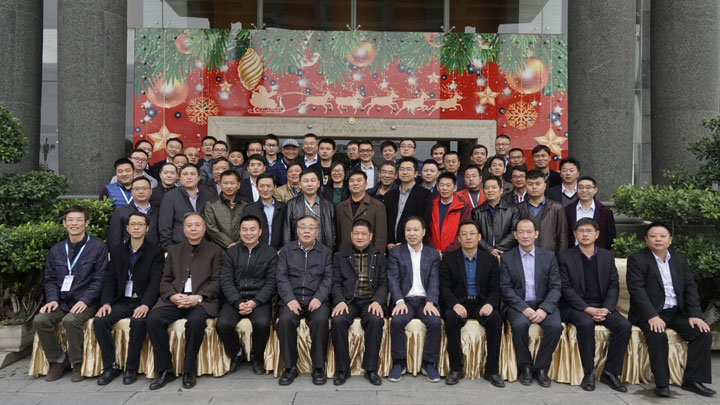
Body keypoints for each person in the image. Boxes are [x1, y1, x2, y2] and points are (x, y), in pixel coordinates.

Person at [626, 223, 715, 398]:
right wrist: (652, 316)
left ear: (670, 240)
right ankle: (662, 383)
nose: (658, 239)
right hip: (649, 313)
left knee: (702, 333)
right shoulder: (637, 260)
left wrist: (695, 315)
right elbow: (637, 291)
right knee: (657, 334)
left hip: (675, 311)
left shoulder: (679, 260)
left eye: (662, 236)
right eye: (653, 236)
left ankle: (692, 380)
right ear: (646, 240)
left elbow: (690, 288)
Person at [147, 213, 222, 390]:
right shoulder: (174, 251)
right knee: (154, 319)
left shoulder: (215, 250)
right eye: (189, 225)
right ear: (183, 229)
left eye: (197, 225)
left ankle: (189, 370)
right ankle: (165, 370)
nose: (193, 229)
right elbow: (165, 279)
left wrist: (199, 297)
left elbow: (217, 281)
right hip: (175, 299)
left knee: (195, 322)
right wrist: (172, 296)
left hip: (201, 301)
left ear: (204, 228)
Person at [34, 206, 108, 382]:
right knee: (40, 320)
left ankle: (77, 363)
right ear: (64, 223)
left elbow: (99, 279)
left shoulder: (98, 247)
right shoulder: (57, 249)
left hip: (87, 301)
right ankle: (58, 360)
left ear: (86, 223)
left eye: (79, 220)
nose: (75, 223)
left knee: (71, 320)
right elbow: (50, 278)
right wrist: (52, 299)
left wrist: (85, 300)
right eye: (71, 220)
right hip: (61, 300)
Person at [557, 218, 631, 392]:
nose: (585, 234)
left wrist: (607, 308)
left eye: (589, 231)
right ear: (574, 234)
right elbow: (565, 288)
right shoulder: (564, 257)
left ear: (597, 234)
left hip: (603, 305)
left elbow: (613, 285)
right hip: (576, 307)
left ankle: (611, 372)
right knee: (586, 323)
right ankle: (588, 372)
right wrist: (587, 309)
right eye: (581, 231)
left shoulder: (606, 256)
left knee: (624, 325)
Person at [94, 212, 164, 385]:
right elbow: (109, 279)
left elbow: (155, 282)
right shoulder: (117, 251)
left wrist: (146, 304)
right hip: (122, 300)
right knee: (100, 320)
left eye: (140, 224)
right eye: (133, 224)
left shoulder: (156, 252)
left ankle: (131, 368)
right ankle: (110, 366)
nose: (136, 227)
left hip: (142, 300)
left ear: (147, 228)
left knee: (139, 322)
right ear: (127, 228)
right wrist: (106, 302)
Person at [439, 220, 504, 387]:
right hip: (460, 303)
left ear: (479, 237)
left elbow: (495, 288)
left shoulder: (490, 260)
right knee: (451, 319)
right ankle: (456, 368)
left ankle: (492, 370)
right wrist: (454, 304)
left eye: (472, 233)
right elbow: (444, 287)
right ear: (458, 238)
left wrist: (490, 304)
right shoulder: (449, 259)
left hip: (482, 303)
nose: (468, 237)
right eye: (464, 234)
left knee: (495, 319)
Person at [500, 219, 563, 388]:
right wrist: (524, 308)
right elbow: (506, 288)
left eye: (529, 232)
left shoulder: (549, 256)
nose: (525, 235)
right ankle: (525, 366)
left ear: (536, 234)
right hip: (519, 304)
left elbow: (556, 287)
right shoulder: (507, 257)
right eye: (521, 232)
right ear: (515, 235)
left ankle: (541, 367)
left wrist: (544, 308)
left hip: (544, 304)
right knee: (519, 325)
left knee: (555, 326)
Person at [276, 216, 333, 386]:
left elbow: (328, 278)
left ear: (317, 231)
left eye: (311, 227)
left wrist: (319, 297)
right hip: (292, 299)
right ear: (297, 230)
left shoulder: (325, 252)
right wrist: (289, 299)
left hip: (316, 299)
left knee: (321, 320)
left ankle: (318, 367)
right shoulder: (286, 251)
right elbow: (281, 277)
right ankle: (290, 367)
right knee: (285, 321)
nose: (306, 231)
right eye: (303, 227)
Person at [216, 215, 276, 376]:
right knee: (222, 324)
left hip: (259, 299)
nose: (248, 233)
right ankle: (236, 353)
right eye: (244, 229)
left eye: (252, 229)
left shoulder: (270, 252)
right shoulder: (231, 252)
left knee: (262, 323)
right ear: (240, 232)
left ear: (260, 231)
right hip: (235, 298)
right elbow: (226, 280)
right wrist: (237, 302)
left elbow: (271, 283)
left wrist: (256, 302)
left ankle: (257, 357)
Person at [330, 219, 388, 386]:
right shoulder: (340, 256)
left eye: (363, 234)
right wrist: (340, 301)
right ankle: (343, 369)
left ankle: (371, 369)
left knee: (375, 320)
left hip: (370, 300)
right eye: (356, 233)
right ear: (351, 235)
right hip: (349, 300)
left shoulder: (379, 256)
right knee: (338, 320)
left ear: (370, 236)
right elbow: (336, 282)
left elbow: (384, 283)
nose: (359, 237)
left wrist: (377, 301)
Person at [387, 217, 442, 383]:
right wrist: (399, 301)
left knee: (435, 322)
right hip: (405, 300)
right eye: (408, 230)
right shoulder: (396, 252)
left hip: (425, 300)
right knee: (397, 320)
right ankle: (399, 362)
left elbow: (434, 280)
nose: (412, 233)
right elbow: (393, 279)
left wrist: (431, 301)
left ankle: (429, 363)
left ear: (423, 232)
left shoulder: (432, 254)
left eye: (416, 230)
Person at [158, 164, 214, 250]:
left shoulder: (208, 195)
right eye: (185, 174)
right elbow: (165, 226)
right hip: (179, 246)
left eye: (192, 174)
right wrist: (170, 248)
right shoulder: (170, 197)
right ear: (179, 177)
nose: (189, 177)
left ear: (199, 177)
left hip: (204, 246)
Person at [335, 169, 387, 252]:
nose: (355, 183)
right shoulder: (340, 208)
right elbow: (338, 236)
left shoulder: (377, 206)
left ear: (366, 184)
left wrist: (377, 256)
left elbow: (381, 238)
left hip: (369, 255)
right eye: (352, 181)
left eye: (359, 180)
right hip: (344, 255)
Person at [517, 169, 569, 254]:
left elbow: (562, 237)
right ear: (526, 186)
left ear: (544, 186)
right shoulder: (518, 208)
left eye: (538, 184)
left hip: (550, 255)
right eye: (530, 184)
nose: (534, 187)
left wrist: (561, 258)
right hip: (524, 255)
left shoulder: (556, 208)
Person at [283, 169, 336, 251]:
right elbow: (287, 231)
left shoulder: (328, 205)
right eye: (306, 181)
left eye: (313, 180)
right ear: (300, 184)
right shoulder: (292, 204)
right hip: (298, 252)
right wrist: (289, 252)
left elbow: (333, 232)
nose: (309, 184)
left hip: (322, 252)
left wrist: (330, 251)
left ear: (318, 183)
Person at [385, 157, 431, 250]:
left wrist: (405, 243)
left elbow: (424, 222)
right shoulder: (390, 195)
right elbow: (386, 221)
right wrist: (388, 242)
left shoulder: (424, 194)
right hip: (391, 247)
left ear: (416, 174)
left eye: (408, 169)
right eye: (402, 169)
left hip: (412, 246)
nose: (405, 172)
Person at [425, 172, 471, 257]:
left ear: (455, 188)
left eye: (448, 185)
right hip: (433, 254)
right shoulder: (431, 205)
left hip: (455, 254)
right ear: (438, 187)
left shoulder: (463, 206)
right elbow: (426, 231)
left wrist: (445, 252)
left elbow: (464, 232)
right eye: (442, 185)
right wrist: (435, 251)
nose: (445, 188)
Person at [472, 176, 519, 257]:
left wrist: (497, 249)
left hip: (508, 253)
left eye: (494, 187)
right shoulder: (477, 212)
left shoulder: (512, 210)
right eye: (487, 188)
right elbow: (476, 234)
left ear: (501, 190)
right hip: (485, 254)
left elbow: (514, 232)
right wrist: (489, 249)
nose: (490, 190)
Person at [565, 176, 617, 250]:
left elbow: (610, 237)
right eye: (581, 187)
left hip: (597, 253)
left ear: (595, 190)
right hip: (572, 253)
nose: (584, 190)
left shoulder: (605, 211)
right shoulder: (567, 210)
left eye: (588, 187)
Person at [107, 177, 159, 248]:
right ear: (132, 191)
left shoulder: (158, 212)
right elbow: (114, 240)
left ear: (151, 191)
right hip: (128, 253)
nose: (141, 191)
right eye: (137, 189)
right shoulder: (120, 212)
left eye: (144, 188)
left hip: (153, 253)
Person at [204, 170, 249, 250]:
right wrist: (229, 243)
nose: (229, 186)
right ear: (220, 185)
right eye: (225, 183)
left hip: (242, 248)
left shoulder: (246, 204)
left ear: (238, 185)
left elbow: (249, 226)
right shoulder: (211, 204)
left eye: (232, 183)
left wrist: (239, 243)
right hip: (218, 249)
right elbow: (211, 228)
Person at [242, 173, 287, 250]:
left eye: (269, 186)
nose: (265, 189)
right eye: (262, 186)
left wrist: (282, 250)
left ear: (275, 187)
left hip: (279, 252)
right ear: (256, 187)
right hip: (256, 251)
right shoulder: (249, 209)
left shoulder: (284, 208)